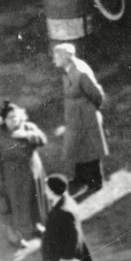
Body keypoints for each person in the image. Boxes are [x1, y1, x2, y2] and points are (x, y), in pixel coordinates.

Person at [51, 44, 107, 198]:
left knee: (90, 150)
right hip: (75, 118)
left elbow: (97, 95)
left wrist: (89, 112)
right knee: (76, 148)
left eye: (56, 56)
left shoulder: (80, 73)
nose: (54, 60)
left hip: (85, 119)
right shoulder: (69, 71)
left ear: (65, 58)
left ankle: (95, 183)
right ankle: (80, 178)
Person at [0, 101, 49, 248]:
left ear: (21, 116)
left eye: (16, 117)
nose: (14, 120)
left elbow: (43, 140)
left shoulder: (29, 128)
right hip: (13, 177)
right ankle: (19, 235)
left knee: (36, 201)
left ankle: (36, 227)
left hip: (33, 172)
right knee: (18, 205)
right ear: (4, 120)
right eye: (10, 118)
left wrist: (27, 135)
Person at [39, 175, 101, 261]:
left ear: (53, 191)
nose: (44, 191)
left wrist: (66, 257)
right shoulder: (64, 202)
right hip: (62, 252)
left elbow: (72, 235)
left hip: (63, 257)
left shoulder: (64, 209)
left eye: (46, 188)